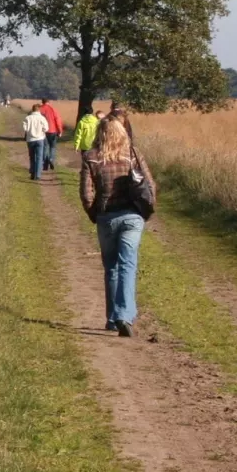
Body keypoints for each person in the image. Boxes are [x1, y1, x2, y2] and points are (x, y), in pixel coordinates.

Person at [79, 110, 157, 338]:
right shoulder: (132, 153)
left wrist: (94, 214)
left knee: (111, 267)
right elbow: (150, 185)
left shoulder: (91, 157)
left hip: (107, 217)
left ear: (100, 133)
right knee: (128, 265)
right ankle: (124, 316)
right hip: (132, 216)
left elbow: (86, 193)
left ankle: (114, 318)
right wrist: (146, 211)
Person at [22, 102, 49, 180]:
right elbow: (46, 128)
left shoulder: (28, 118)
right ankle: (38, 175)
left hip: (30, 139)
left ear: (32, 110)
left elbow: (25, 129)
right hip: (40, 139)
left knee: (32, 157)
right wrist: (42, 131)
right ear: (39, 110)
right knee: (39, 157)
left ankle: (32, 172)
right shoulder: (42, 118)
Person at [38, 97, 64, 171]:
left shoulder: (40, 109)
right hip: (53, 131)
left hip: (43, 131)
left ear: (42, 102)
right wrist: (60, 131)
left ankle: (45, 163)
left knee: (45, 147)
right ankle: (51, 159)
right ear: (48, 102)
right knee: (52, 147)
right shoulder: (53, 109)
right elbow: (58, 120)